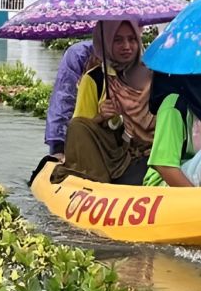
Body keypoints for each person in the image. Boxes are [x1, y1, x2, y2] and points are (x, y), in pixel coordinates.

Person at [59, 19, 155, 184]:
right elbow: (81, 130)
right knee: (77, 127)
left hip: (152, 151)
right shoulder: (94, 79)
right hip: (111, 153)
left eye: (132, 39)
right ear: (106, 42)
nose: (127, 46)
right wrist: (101, 116)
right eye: (118, 40)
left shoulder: (155, 75)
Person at [144, 72, 201, 187]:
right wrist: (197, 200)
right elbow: (164, 167)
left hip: (199, 179)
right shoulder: (173, 106)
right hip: (165, 186)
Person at [44, 40, 96, 158]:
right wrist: (59, 145)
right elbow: (63, 98)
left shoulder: (136, 56)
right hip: (77, 134)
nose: (126, 45)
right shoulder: (80, 54)